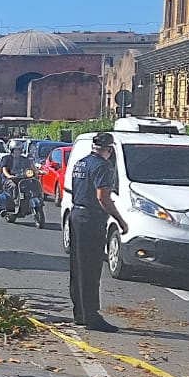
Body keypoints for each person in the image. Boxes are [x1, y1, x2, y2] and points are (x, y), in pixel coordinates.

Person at [67, 132, 129, 333]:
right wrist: (120, 220)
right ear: (109, 151)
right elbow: (103, 197)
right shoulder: (103, 166)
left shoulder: (80, 163)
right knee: (91, 268)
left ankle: (80, 313)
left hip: (76, 215)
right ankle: (91, 316)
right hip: (91, 219)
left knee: (77, 267)